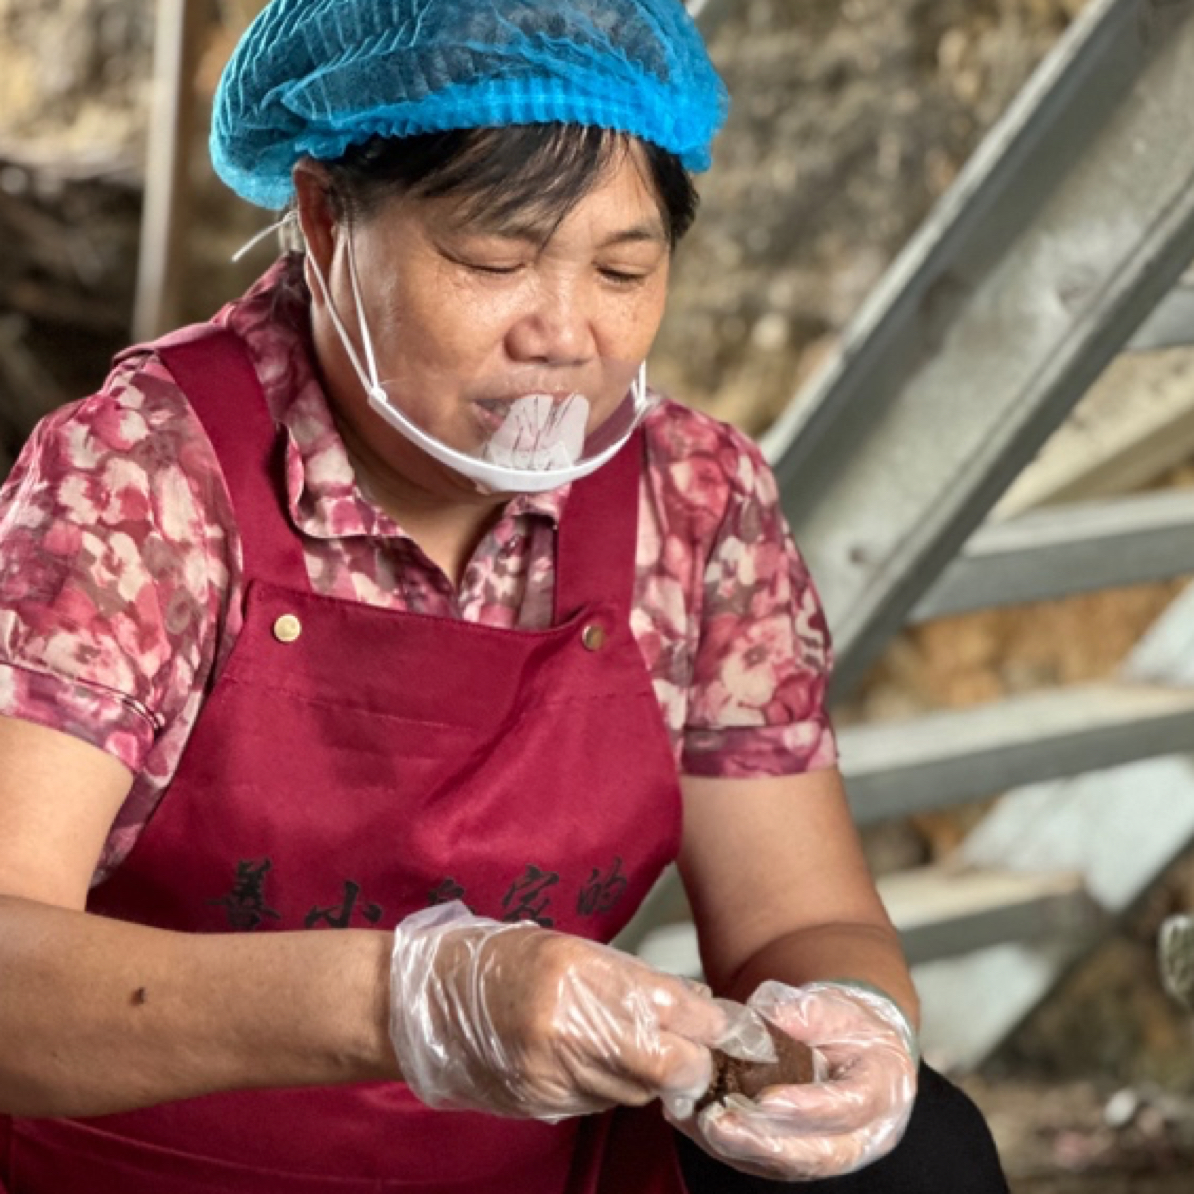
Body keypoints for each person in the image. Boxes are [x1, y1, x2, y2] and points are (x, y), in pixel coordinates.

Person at [0, 1, 1009, 1190]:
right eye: (494, 260)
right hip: (150, 1167)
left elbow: (800, 921)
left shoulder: (695, 499)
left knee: (922, 1157)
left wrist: (856, 1024)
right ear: (323, 222)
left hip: (526, 1171)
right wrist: (410, 1000)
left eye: (624, 270)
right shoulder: (141, 475)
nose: (566, 335)